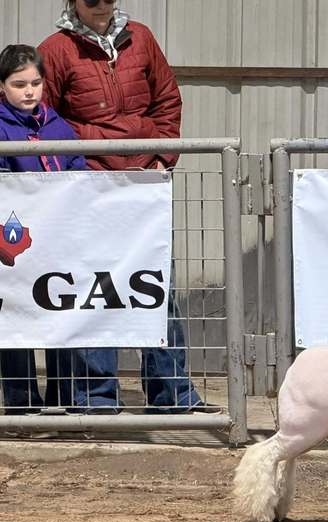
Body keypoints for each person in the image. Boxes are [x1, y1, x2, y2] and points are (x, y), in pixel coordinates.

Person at [37, 0, 205, 413]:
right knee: (93, 289)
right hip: (89, 185)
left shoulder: (141, 38)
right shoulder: (56, 50)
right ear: (73, 2)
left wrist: (163, 155)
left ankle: (172, 396)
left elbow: (167, 100)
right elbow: (44, 116)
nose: (101, 6)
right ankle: (96, 397)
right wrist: (77, 162)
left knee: (156, 286)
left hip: (144, 182)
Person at [0, 44, 86, 415]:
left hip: (57, 239)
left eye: (35, 83)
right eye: (19, 84)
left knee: (60, 312)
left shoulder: (57, 125)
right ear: (2, 86)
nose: (29, 91)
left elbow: (78, 170)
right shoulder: (1, 126)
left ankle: (63, 397)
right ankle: (21, 403)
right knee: (15, 316)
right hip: (13, 243)